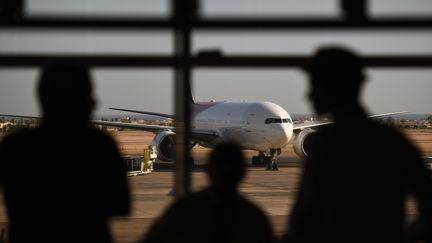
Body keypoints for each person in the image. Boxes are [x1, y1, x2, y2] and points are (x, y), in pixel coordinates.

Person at [280, 46, 432, 243]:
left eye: (315, 85)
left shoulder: (325, 143)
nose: (308, 96)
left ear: (334, 87)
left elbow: (303, 218)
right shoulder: (394, 140)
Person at [0, 63, 130, 243]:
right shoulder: (99, 145)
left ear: (42, 98)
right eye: (88, 94)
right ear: (83, 101)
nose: (94, 102)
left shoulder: (14, 146)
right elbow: (122, 205)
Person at [139, 141, 274, 243]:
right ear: (243, 172)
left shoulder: (184, 209)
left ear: (208, 170)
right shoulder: (255, 217)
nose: (225, 171)